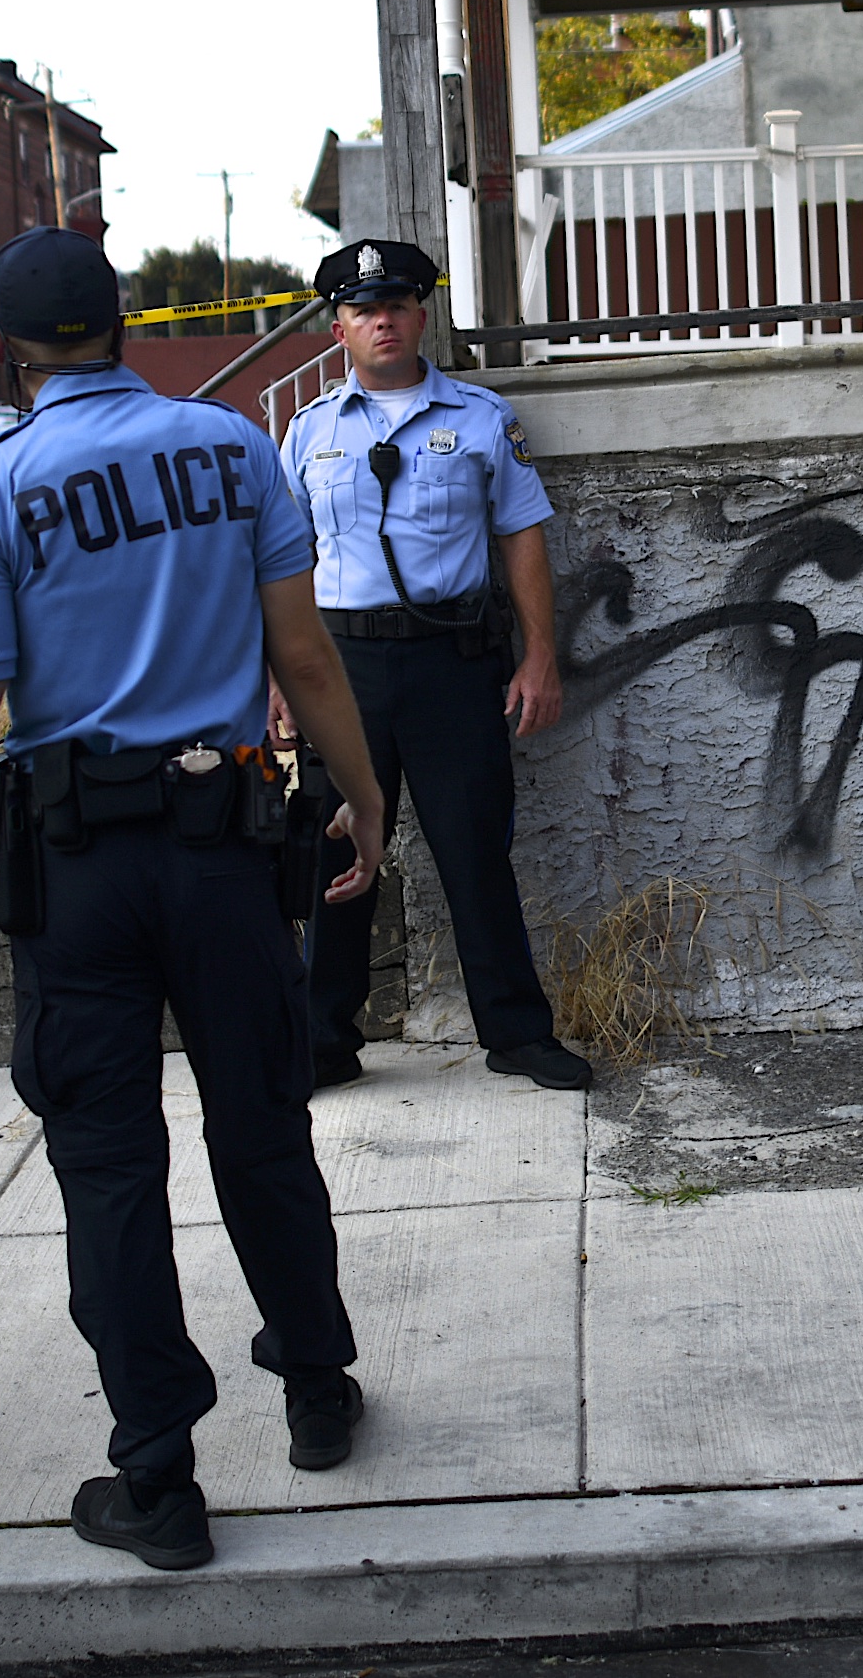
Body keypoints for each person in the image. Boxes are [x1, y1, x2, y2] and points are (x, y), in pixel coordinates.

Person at [0, 227, 391, 1573]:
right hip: (226, 852)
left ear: (4, 347)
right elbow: (306, 652)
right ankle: (316, 1387)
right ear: (123, 325)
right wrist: (364, 794)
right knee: (262, 1124)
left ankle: (159, 1478)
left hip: (79, 878)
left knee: (108, 1169)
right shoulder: (233, 447)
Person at [276, 237, 589, 1092]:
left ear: (422, 316)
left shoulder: (481, 419)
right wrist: (276, 678)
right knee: (336, 856)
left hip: (453, 661)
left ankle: (517, 1033)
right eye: (364, 309)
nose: (384, 320)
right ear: (337, 325)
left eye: (399, 305)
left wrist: (539, 657)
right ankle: (322, 1041)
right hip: (341, 670)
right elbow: (282, 559)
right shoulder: (308, 433)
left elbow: (521, 535)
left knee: (474, 849)